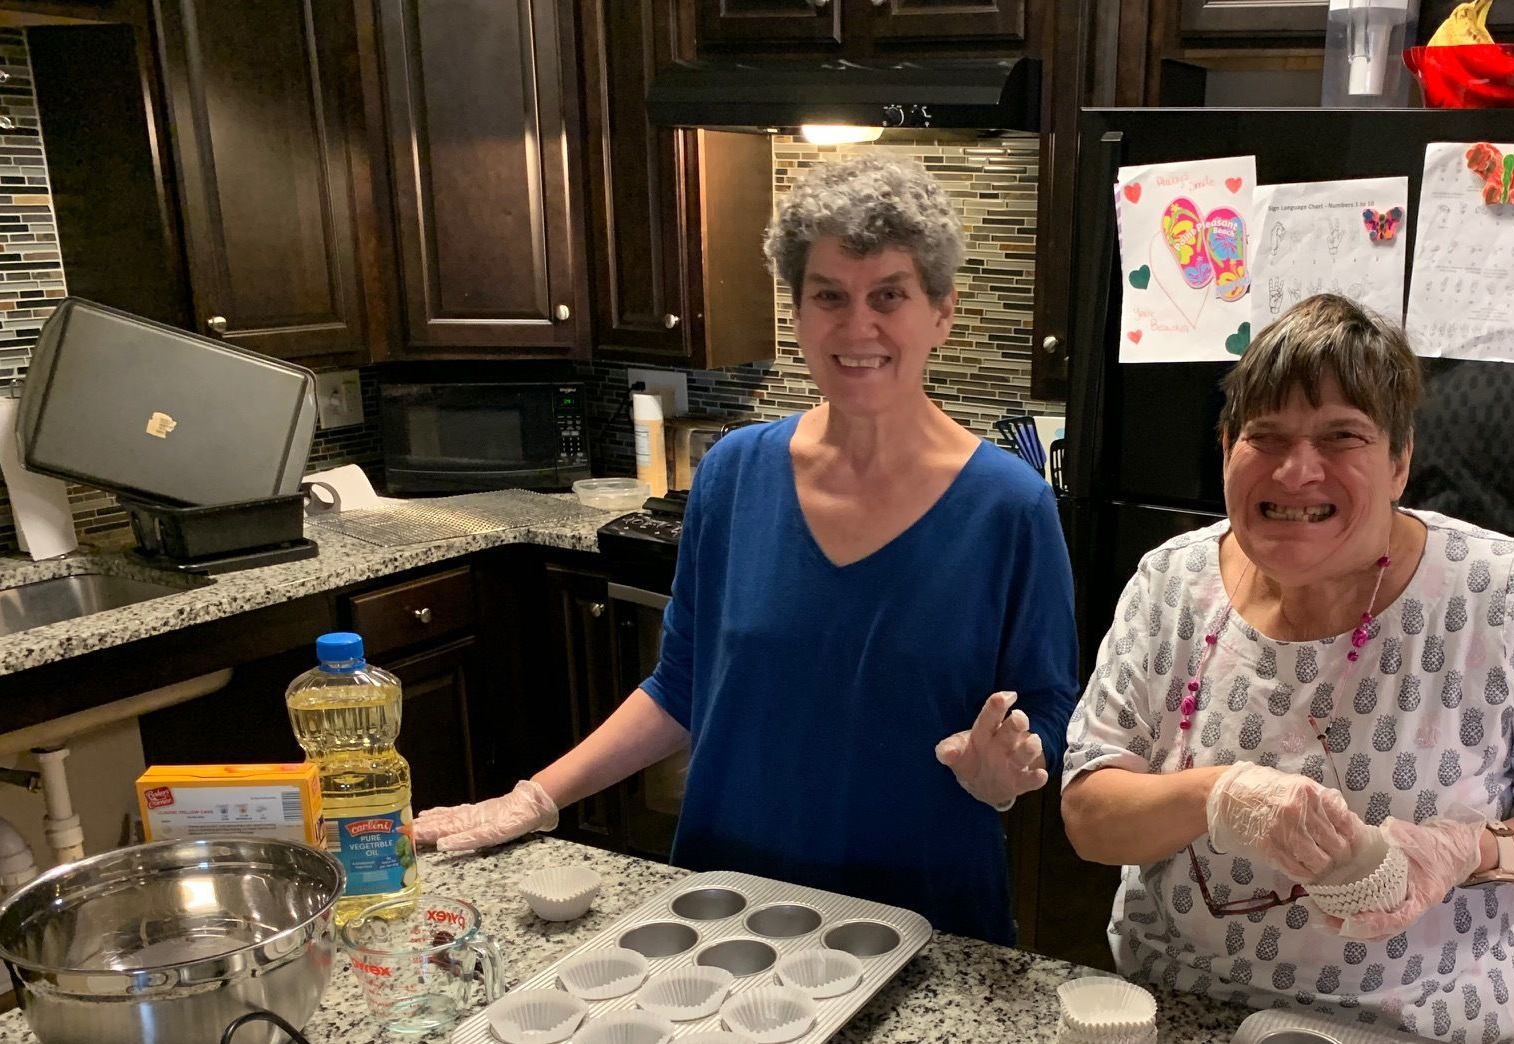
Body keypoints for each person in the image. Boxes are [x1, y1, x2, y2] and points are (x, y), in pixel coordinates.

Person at [414, 153, 1077, 944]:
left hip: (921, 919)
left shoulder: (1010, 506)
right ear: (796, 312)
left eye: (889, 296)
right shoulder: (734, 475)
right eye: (829, 295)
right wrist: (532, 799)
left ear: (941, 312)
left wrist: (1007, 768)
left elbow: (1048, 706)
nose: (858, 325)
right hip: (728, 902)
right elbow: (683, 686)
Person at [1059, 295, 1514, 1044]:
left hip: (1428, 1040)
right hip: (1189, 1022)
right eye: (1265, 436)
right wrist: (1219, 796)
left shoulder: (1502, 594)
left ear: (1399, 462)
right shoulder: (1171, 584)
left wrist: (1468, 850)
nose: (1298, 470)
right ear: (1227, 447)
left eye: (1342, 437)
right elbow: (1091, 817)